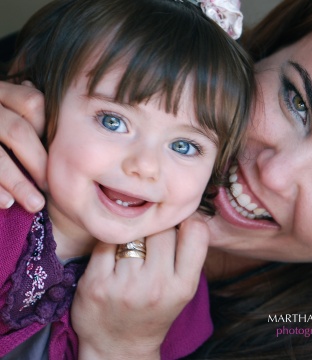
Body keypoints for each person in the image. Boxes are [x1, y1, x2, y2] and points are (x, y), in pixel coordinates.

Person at [0, 0, 312, 358]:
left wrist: (122, 348)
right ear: (265, 50)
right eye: (296, 102)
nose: (274, 174)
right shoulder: (108, 54)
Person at [0, 0, 253, 359]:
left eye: (184, 145)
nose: (145, 166)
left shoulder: (172, 290)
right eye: (112, 121)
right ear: (37, 102)